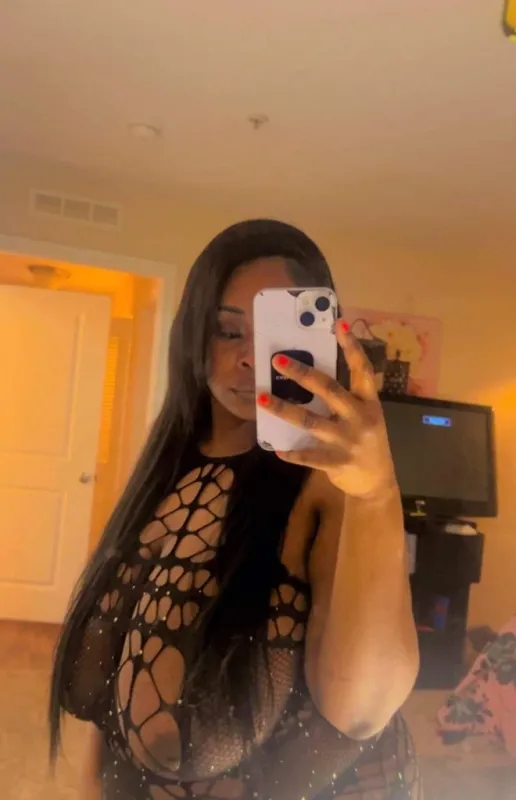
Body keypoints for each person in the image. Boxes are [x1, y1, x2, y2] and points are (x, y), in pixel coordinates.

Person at [49, 219, 421, 799]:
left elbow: (361, 709)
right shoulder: (165, 470)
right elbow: (104, 711)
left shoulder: (326, 484)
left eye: (274, 334)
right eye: (227, 331)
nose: (250, 358)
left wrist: (375, 494)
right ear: (193, 338)